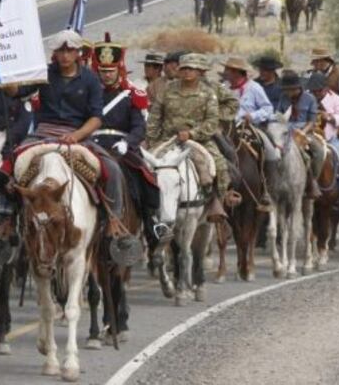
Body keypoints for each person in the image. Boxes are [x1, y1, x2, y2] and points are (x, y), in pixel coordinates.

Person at [19, 30, 137, 246]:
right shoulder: (43, 73)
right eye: (60, 50)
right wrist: (5, 77)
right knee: (10, 164)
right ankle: (6, 218)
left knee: (112, 169)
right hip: (43, 133)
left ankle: (114, 220)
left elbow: (96, 118)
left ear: (77, 53)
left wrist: (76, 135)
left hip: (77, 135)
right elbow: (17, 91)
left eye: (70, 50)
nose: (64, 55)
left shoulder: (91, 79)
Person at [89, 35, 162, 245]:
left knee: (146, 178)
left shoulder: (133, 94)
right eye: (103, 71)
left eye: (111, 70)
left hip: (122, 147)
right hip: (91, 145)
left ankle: (152, 224)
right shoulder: (88, 93)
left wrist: (127, 142)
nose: (107, 75)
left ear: (119, 69)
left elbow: (140, 126)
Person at [148, 53, 240, 215]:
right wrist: (152, 140)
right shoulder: (168, 90)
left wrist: (192, 134)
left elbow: (211, 122)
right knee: (146, 163)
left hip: (200, 140)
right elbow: (155, 116)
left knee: (220, 164)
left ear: (200, 71)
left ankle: (217, 201)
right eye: (184, 68)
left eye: (192, 69)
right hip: (168, 139)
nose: (187, 72)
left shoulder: (209, 92)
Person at [223, 57, 277, 210]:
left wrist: (252, 116)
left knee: (270, 150)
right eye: (227, 69)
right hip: (226, 128)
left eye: (229, 70)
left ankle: (267, 190)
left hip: (248, 127)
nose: (226, 73)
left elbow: (268, 109)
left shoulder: (254, 87)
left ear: (237, 72)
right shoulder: (223, 88)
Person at [307, 73, 339, 213]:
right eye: (313, 90)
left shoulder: (335, 99)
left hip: (330, 138)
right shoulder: (307, 99)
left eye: (319, 90)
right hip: (309, 138)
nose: (316, 93)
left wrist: (329, 117)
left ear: (325, 88)